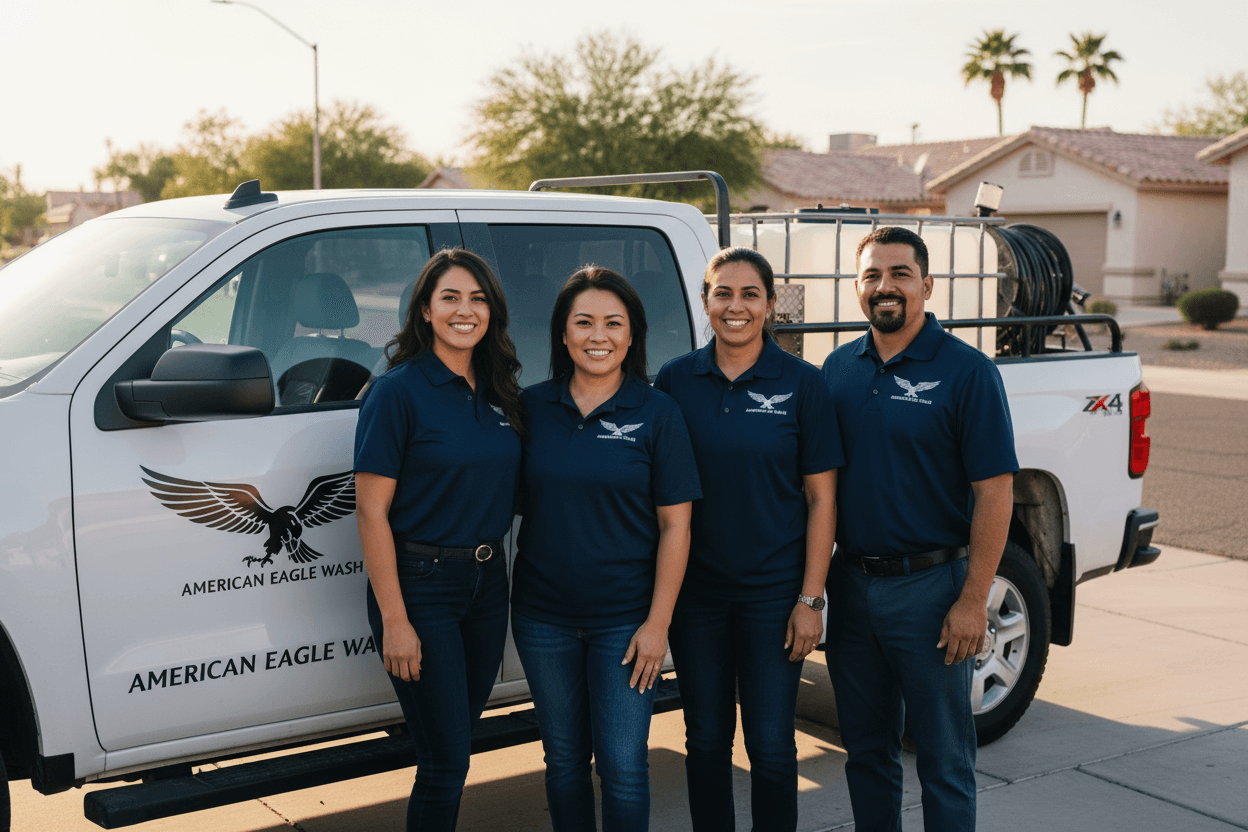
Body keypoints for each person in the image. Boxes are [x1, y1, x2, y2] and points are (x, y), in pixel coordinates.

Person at [820, 227, 1017, 832]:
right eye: (873, 275)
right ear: (856, 289)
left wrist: (972, 599)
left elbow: (995, 493)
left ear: (926, 285)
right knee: (867, 752)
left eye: (900, 274)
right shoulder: (835, 370)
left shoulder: (967, 372)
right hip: (852, 588)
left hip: (932, 591)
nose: (886, 286)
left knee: (944, 759)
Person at [654, 247, 842, 832]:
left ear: (769, 304)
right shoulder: (675, 381)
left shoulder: (803, 384)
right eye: (722, 294)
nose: (735, 307)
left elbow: (822, 499)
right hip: (696, 599)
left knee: (771, 745)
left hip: (774, 597)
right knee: (706, 742)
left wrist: (811, 599)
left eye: (749, 294)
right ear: (705, 301)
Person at [511, 265, 701, 832]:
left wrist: (657, 624)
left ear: (632, 334)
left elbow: (677, 527)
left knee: (622, 767)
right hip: (543, 619)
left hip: (626, 622)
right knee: (564, 763)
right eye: (584, 322)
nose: (599, 336)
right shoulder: (531, 408)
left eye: (614, 323)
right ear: (563, 334)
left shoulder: (657, 412)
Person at [353, 249, 525, 832]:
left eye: (478, 299)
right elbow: (371, 512)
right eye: (450, 298)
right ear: (425, 311)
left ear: (492, 313)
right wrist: (396, 620)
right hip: (420, 587)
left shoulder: (502, 390)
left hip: (486, 584)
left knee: (454, 745)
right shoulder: (397, 393)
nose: (465, 310)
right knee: (447, 760)